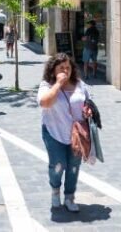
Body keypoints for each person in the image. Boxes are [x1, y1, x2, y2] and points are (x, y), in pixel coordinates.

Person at [37, 53, 90, 212]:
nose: (65, 71)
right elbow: (45, 103)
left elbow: (87, 102)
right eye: (61, 68)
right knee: (58, 165)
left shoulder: (80, 84)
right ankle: (55, 191)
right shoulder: (46, 85)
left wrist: (88, 111)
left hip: (76, 134)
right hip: (53, 132)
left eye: (68, 67)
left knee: (74, 166)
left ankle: (69, 197)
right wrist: (58, 84)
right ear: (53, 70)